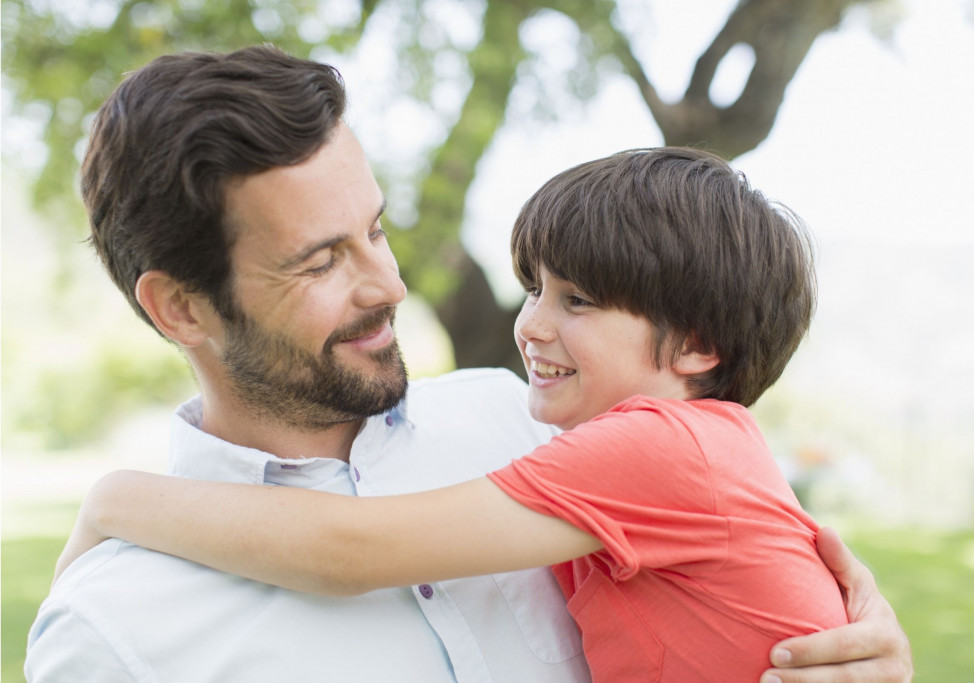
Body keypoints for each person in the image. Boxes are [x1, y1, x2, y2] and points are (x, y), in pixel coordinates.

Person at [27, 45, 912, 683]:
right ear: (179, 306)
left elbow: (350, 551)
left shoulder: (521, 421)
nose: (393, 285)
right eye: (322, 259)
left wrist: (859, 646)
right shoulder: (112, 631)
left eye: (376, 230)